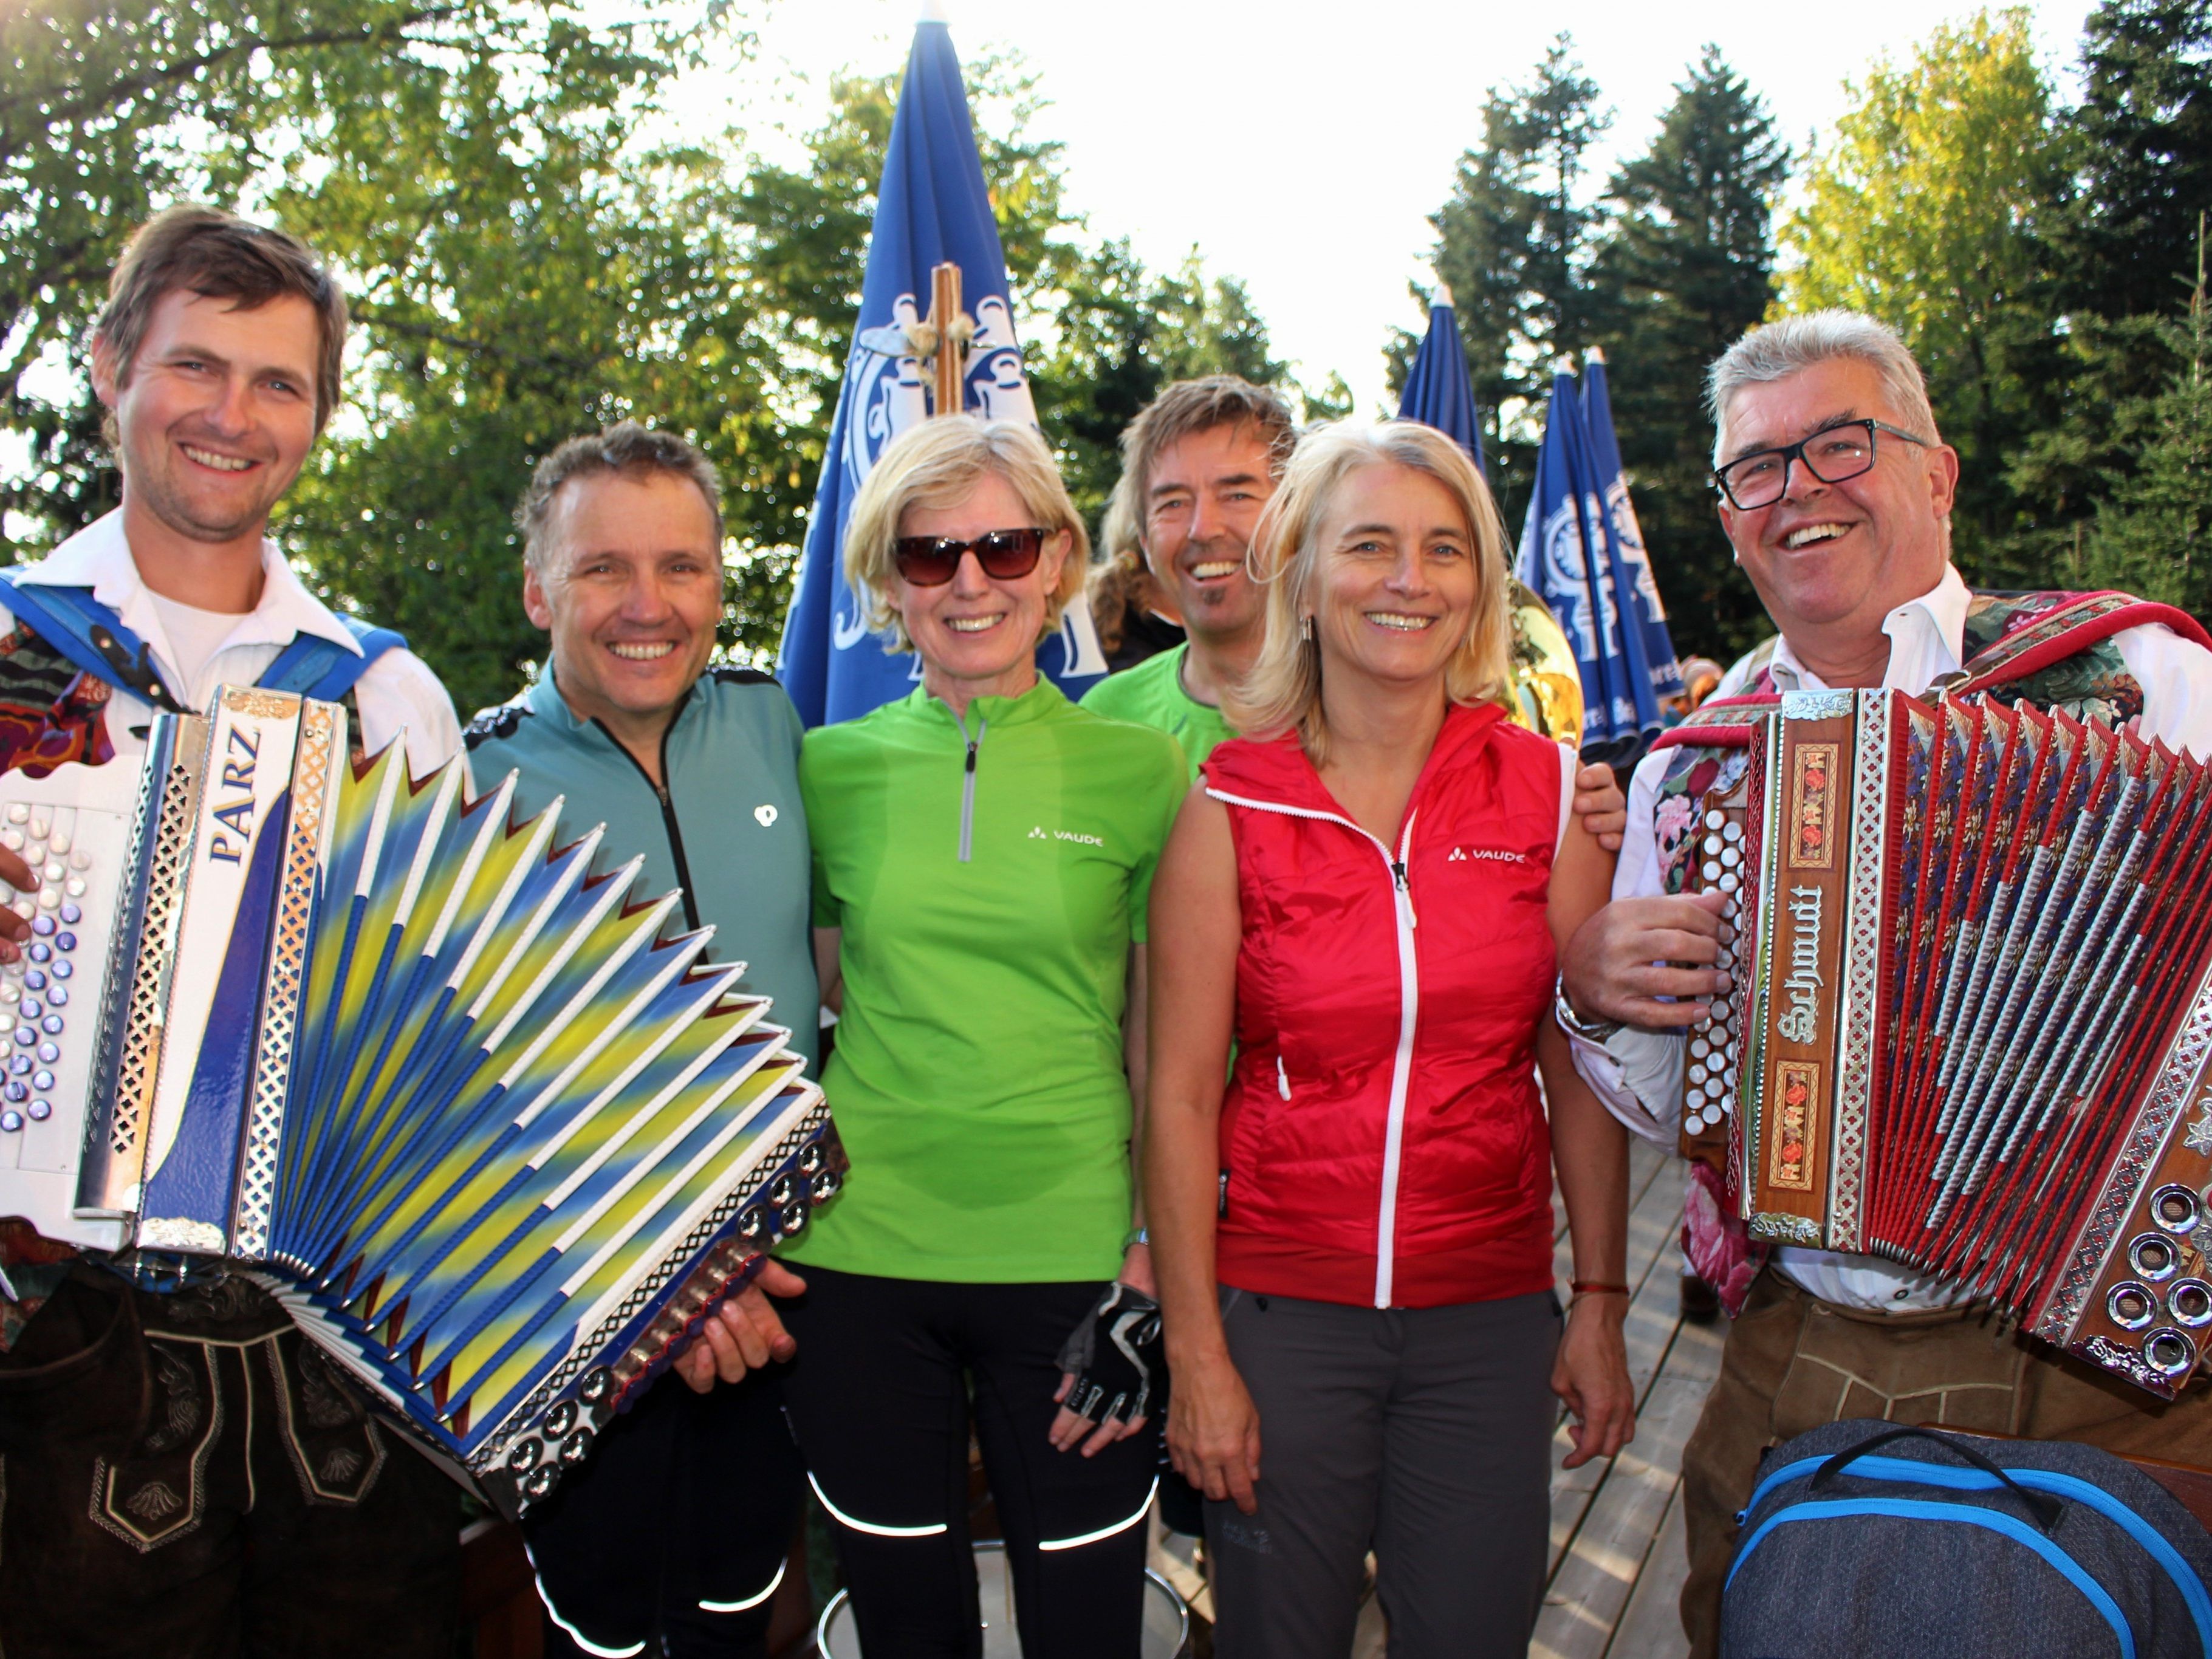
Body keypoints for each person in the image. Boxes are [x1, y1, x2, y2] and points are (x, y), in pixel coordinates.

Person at [1554, 309, 2212, 1658]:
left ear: (1935, 474)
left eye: (1836, 444)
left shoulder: (2139, 678)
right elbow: (1669, 1101)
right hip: (1802, 1338)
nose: (1795, 489)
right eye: (1756, 469)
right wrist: (1594, 986)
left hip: (2098, 1350)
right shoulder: (1702, 760)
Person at [0, 205, 465, 1657]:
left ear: (318, 417)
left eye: (279, 383)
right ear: (110, 369)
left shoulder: (388, 700)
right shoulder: (11, 644)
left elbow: (453, 1031)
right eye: (197, 368)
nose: (232, 416)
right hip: (64, 1346)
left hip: (340, 1354)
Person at [1146, 420, 1638, 1659]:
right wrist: (1195, 1351)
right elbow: (1177, 1099)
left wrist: (1595, 1298)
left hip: (1485, 1314)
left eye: (1442, 549)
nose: (1408, 579)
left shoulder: (1546, 790)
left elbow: (1575, 1060)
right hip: (1280, 1315)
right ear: (1302, 578)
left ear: (1477, 586)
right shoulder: (1227, 804)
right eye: (1368, 546)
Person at [779, 414, 1183, 1659]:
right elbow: (813, 996)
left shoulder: (1143, 770)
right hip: (859, 1259)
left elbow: (1173, 1052)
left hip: (1072, 1268)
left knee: (1083, 1631)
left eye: (1003, 548)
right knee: (906, 1634)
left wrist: (1149, 1261)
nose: (968, 581)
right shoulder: (823, 768)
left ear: (1058, 560)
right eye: (928, 554)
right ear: (885, 583)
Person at [465, 422, 818, 1658]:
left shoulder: (775, 726)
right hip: (582, 1310)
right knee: (601, 1630)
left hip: (782, 1283)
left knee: (737, 1605)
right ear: (537, 589)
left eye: (681, 567)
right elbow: (465, 1099)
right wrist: (656, 1281)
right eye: (602, 568)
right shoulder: (472, 795)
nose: (646, 604)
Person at [1082, 375, 1625, 822]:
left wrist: (1576, 817)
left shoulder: (1389, 707)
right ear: (1143, 533)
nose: (1204, 527)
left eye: (1237, 493)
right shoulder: (1104, 721)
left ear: (1298, 518)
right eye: (1172, 502)